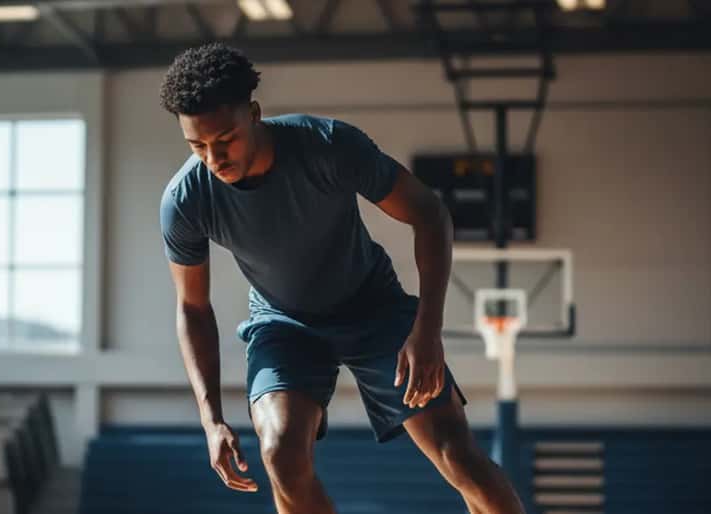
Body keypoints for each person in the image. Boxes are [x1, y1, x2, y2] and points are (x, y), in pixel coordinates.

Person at [158, 43, 525, 514]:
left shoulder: (328, 146)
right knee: (280, 453)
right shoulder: (185, 200)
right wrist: (211, 421)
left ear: (254, 114)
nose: (214, 158)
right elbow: (192, 307)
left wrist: (427, 330)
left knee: (460, 457)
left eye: (225, 139)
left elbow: (430, 213)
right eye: (197, 146)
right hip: (283, 322)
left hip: (373, 306)